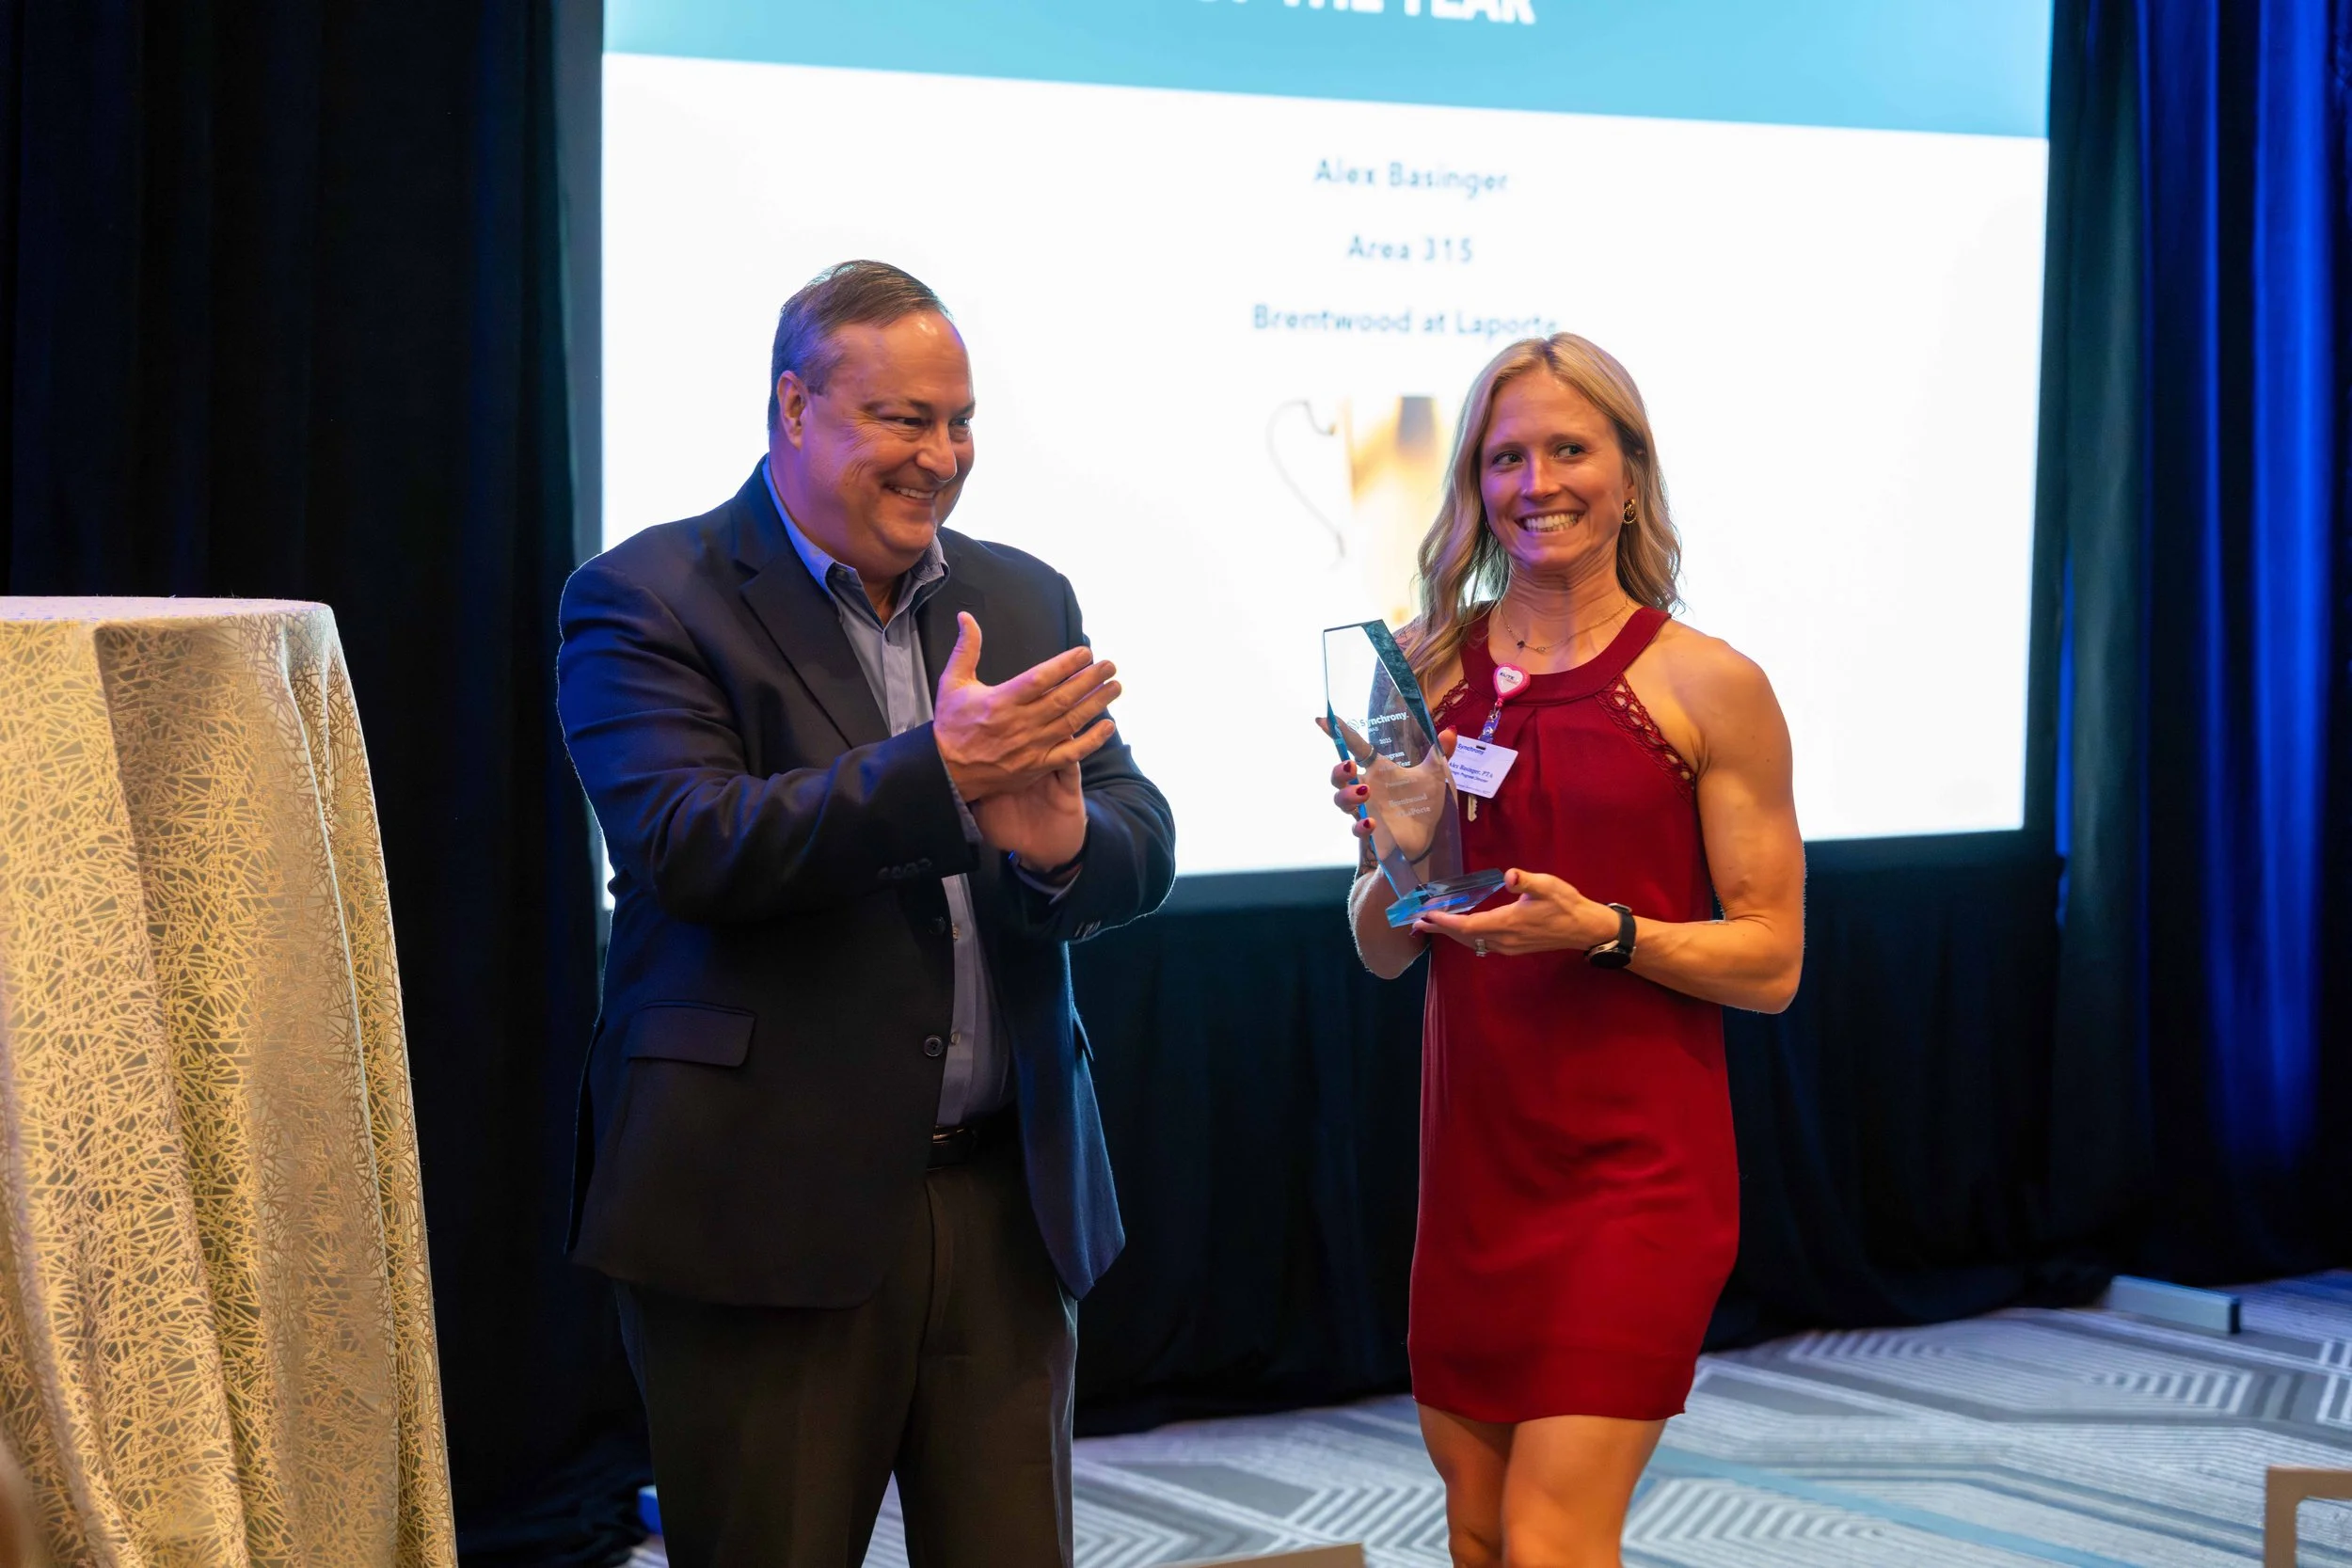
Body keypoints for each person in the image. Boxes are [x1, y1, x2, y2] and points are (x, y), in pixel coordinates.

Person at [557, 260, 1176, 1567]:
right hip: (762, 1208)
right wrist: (939, 777)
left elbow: (1138, 830)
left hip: (1006, 1206)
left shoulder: (1019, 595)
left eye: (958, 422)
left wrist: (1063, 843)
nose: (941, 455)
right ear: (795, 409)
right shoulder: (646, 596)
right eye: (904, 418)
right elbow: (691, 845)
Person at [1325, 334, 1804, 1567]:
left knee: (1548, 1537)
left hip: (1637, 1170)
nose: (1538, 480)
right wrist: (1402, 848)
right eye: (1506, 456)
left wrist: (1605, 930)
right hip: (1477, 1163)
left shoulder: (1711, 685)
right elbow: (1385, 947)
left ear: (1630, 474)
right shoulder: (1427, 669)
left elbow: (1771, 959)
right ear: (1474, 486)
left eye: (1570, 449)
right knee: (1479, 1536)